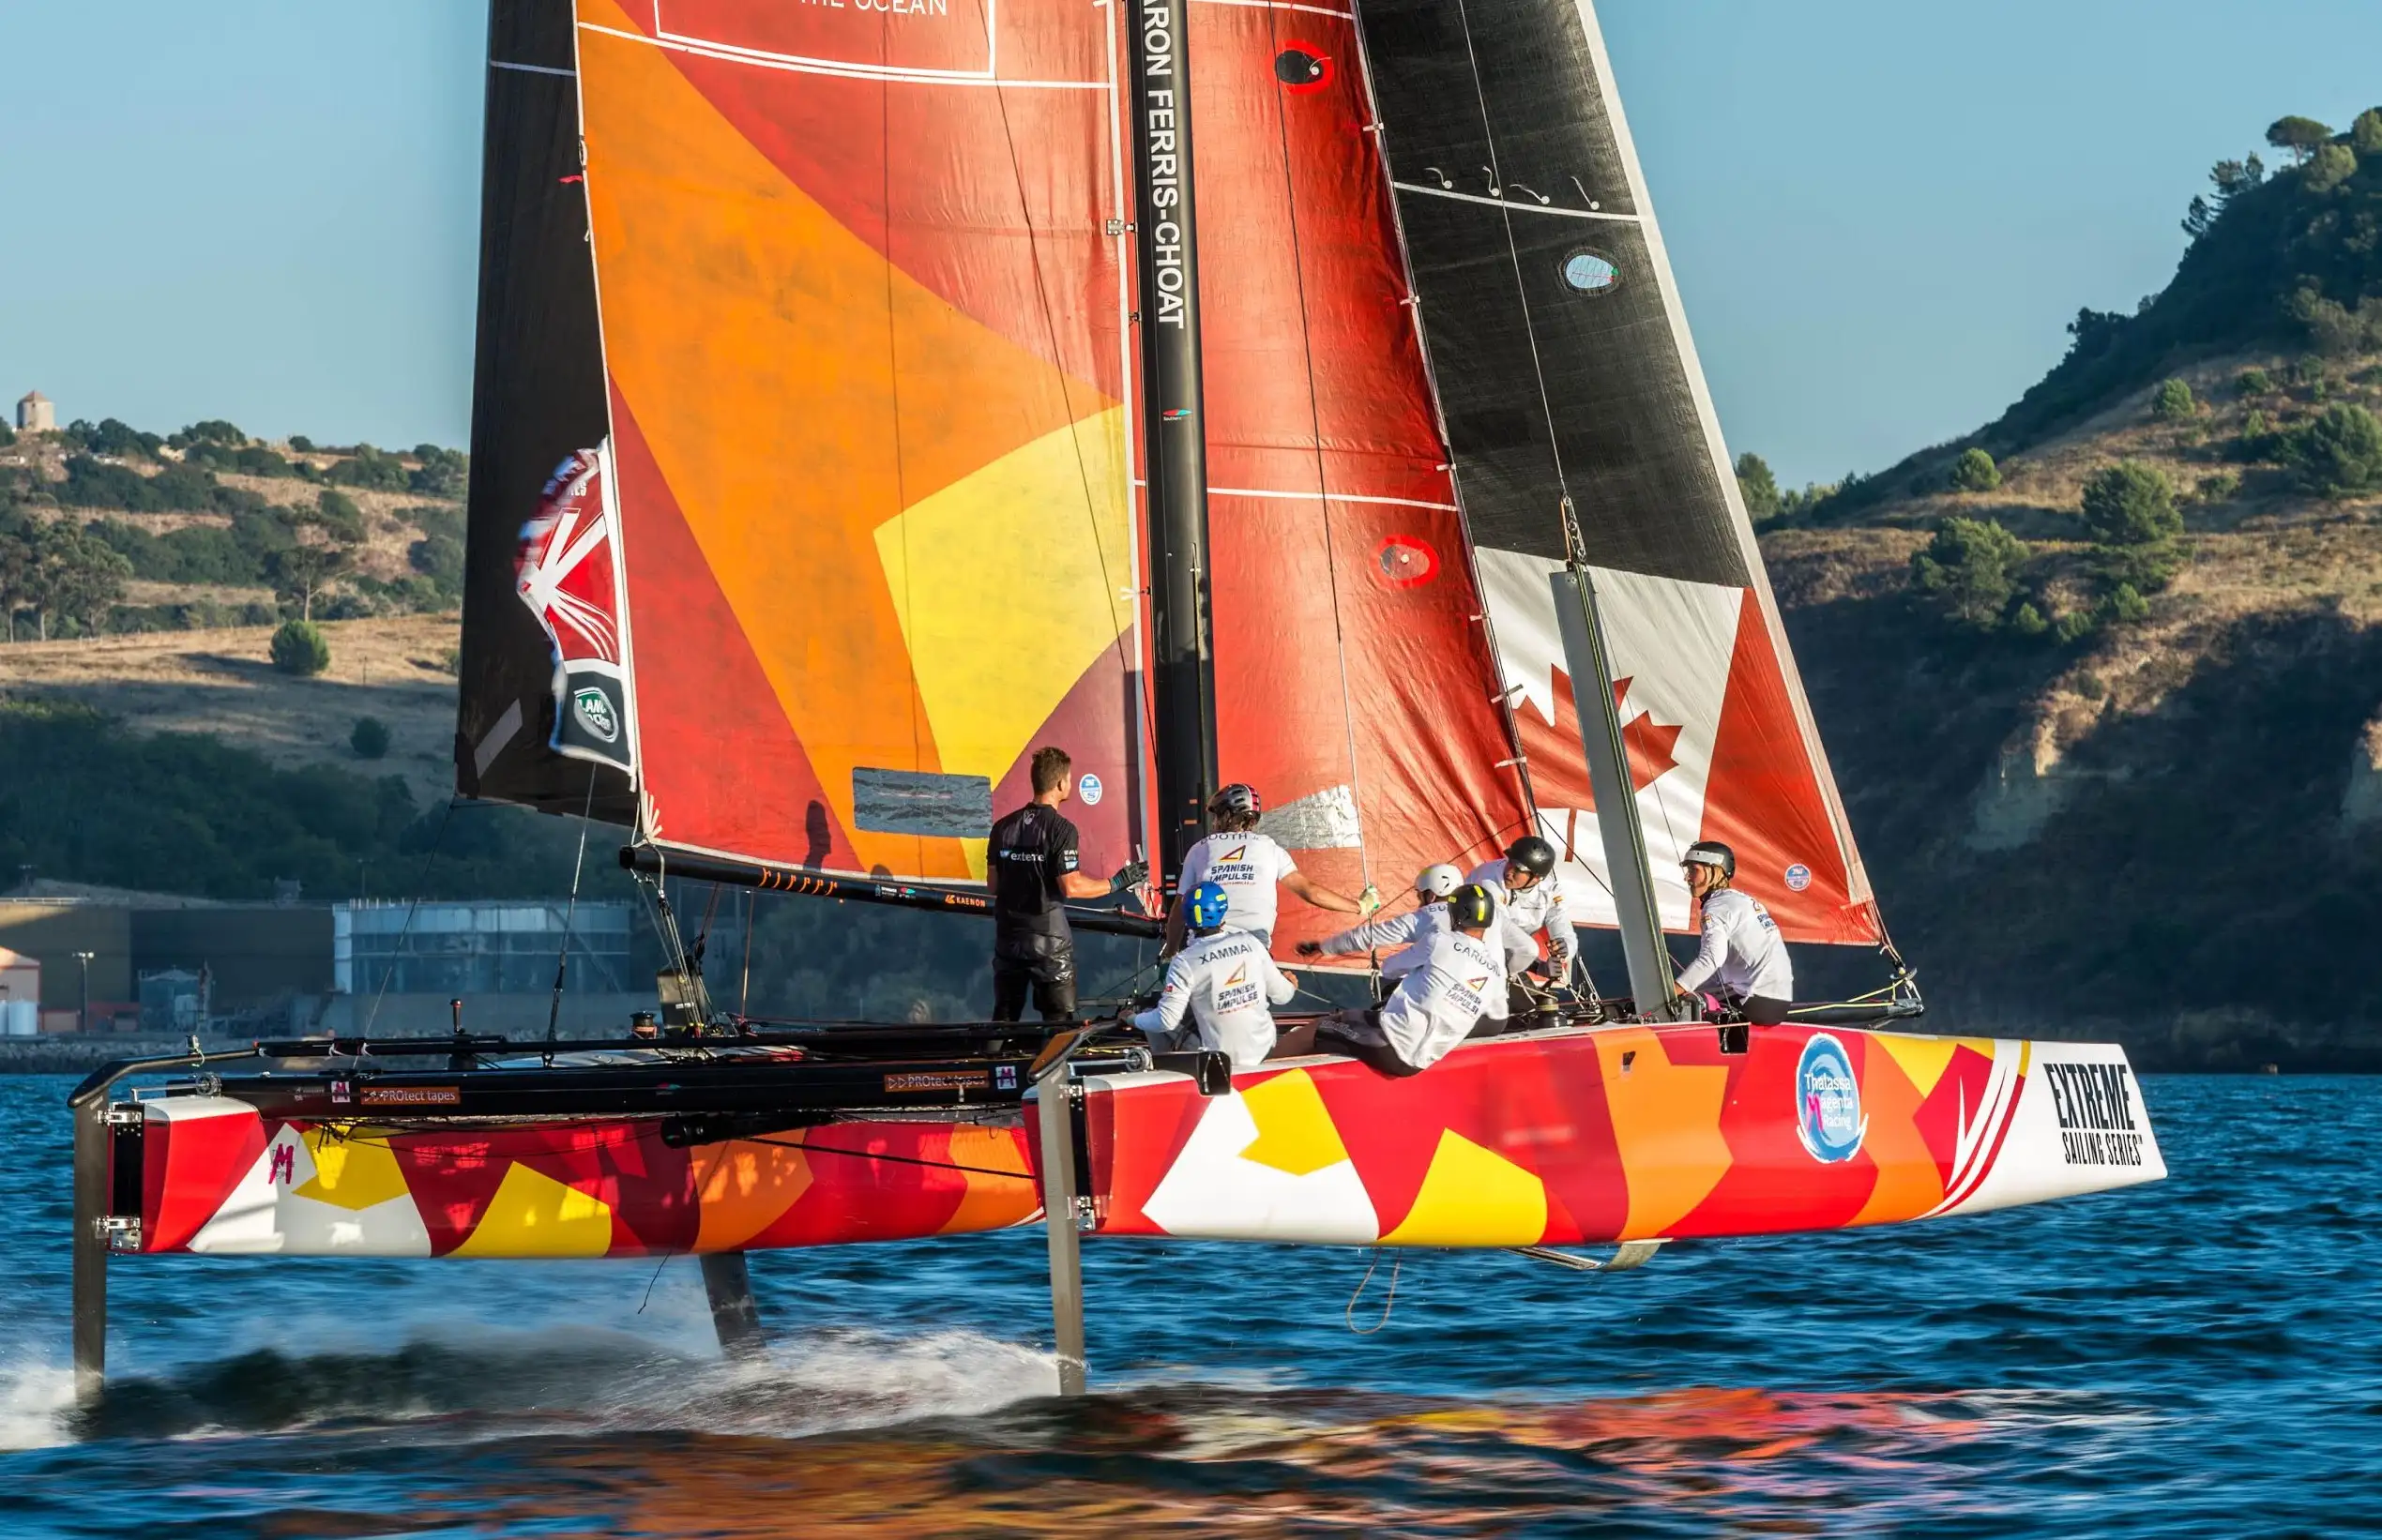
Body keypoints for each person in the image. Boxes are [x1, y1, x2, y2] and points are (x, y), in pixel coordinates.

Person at [987, 746, 1145, 1023]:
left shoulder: (1001, 827)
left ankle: (993, 1067)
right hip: (1050, 944)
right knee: (1061, 1023)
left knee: (1003, 1018)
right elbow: (1071, 887)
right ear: (1061, 784)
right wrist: (1118, 882)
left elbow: (993, 885)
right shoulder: (1062, 829)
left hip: (1008, 938)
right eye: (1070, 779)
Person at [1314, 883, 1507, 1076]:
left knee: (1319, 1028)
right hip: (1423, 1062)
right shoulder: (1496, 973)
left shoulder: (1439, 939)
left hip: (1392, 1046)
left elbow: (1389, 969)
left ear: (1456, 914)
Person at [1164, 782, 1374, 953]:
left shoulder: (1200, 849)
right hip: (1254, 950)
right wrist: (1359, 906)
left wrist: (1170, 951)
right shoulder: (1270, 848)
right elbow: (1310, 891)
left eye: (1217, 816)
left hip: (1205, 948)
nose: (1214, 823)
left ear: (1227, 816)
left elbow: (1179, 909)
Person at [1132, 881, 1297, 1069]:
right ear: (1223, 911)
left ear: (1186, 918)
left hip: (1222, 1065)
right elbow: (1283, 996)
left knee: (1148, 1018)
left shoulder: (1184, 962)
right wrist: (1289, 984)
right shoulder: (1251, 943)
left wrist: (1131, 1019)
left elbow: (1166, 1021)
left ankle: (1166, 1075)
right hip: (1267, 1052)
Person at [1673, 840, 1793, 1025]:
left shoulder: (1717, 908)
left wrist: (1672, 991)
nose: (1687, 878)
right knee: (1691, 994)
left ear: (1716, 871)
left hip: (1755, 1003)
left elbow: (1712, 960)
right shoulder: (1741, 900)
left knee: (1676, 1008)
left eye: (1693, 870)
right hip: (1777, 1001)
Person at [1468, 834, 1579, 999]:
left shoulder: (1551, 892)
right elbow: (1500, 932)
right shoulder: (1489, 879)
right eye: (1510, 862)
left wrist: (1564, 949)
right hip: (1473, 951)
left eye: (1518, 869)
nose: (1509, 872)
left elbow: (1563, 929)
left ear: (1536, 878)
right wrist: (1537, 966)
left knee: (1537, 1007)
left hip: (1509, 957)